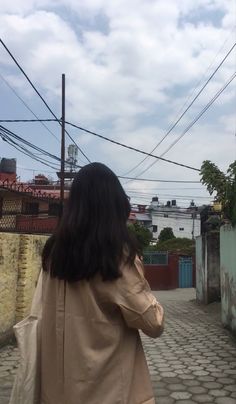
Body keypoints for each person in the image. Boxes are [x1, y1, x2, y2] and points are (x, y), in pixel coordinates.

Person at [41, 162, 164, 404]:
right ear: (115, 206)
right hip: (108, 389)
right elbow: (153, 323)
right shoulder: (115, 256)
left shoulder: (53, 253)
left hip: (57, 390)